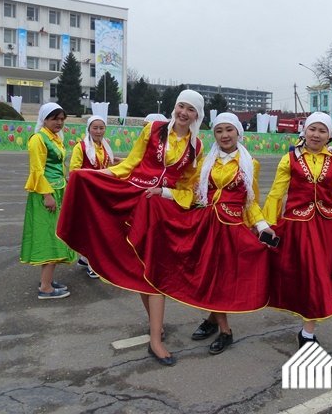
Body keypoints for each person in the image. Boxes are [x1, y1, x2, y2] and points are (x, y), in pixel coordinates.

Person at [57, 90, 205, 366]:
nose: (183, 113)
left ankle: (156, 338)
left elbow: (188, 188)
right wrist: (96, 175)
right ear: (175, 107)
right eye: (181, 106)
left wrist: (165, 192)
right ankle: (155, 329)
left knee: (153, 270)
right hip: (133, 198)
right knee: (140, 268)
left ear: (198, 115)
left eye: (190, 109)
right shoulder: (154, 128)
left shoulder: (196, 146)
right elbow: (130, 164)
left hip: (161, 209)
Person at [127, 112, 274, 355]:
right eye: (219, 131)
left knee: (222, 279)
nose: (224, 135)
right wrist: (163, 192)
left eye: (229, 130)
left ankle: (219, 326)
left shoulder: (251, 164)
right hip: (206, 226)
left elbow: (250, 202)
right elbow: (193, 193)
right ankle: (220, 326)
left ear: (238, 132)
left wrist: (262, 226)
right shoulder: (206, 162)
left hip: (231, 229)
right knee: (210, 277)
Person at [262, 112, 332, 348]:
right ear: (304, 131)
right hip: (299, 227)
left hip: (328, 228)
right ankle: (307, 332)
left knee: (320, 276)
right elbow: (276, 193)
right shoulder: (289, 159)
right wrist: (268, 225)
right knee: (308, 277)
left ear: (329, 135)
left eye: (322, 130)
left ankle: (307, 331)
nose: (316, 135)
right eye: (312, 129)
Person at [20, 102, 77, 299]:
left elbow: (58, 165)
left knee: (54, 234)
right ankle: (45, 288)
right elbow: (37, 170)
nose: (59, 123)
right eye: (55, 119)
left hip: (57, 190)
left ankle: (47, 280)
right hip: (46, 193)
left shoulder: (55, 138)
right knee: (50, 237)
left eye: (62, 119)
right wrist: (47, 195)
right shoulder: (38, 139)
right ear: (44, 119)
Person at [68, 115, 117, 279]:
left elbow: (109, 166)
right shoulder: (81, 147)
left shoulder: (105, 147)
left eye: (101, 128)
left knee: (95, 226)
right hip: (86, 193)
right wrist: (95, 175)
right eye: (95, 128)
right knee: (91, 228)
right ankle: (92, 265)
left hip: (100, 193)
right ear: (88, 129)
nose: (98, 131)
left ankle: (84, 259)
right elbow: (74, 171)